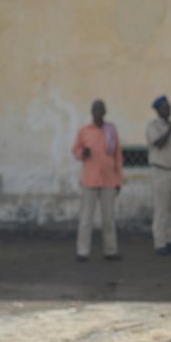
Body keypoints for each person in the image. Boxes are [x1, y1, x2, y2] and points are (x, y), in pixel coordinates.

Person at [71, 99, 123, 261]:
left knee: (108, 218)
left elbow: (118, 156)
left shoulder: (111, 130)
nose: (98, 112)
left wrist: (118, 180)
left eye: (101, 109)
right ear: (91, 112)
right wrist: (83, 153)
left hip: (108, 180)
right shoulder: (84, 131)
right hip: (89, 180)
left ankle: (110, 250)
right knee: (86, 218)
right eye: (95, 109)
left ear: (105, 112)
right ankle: (82, 251)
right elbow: (76, 150)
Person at [145, 95, 171, 255]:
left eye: (169, 106)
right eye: (165, 107)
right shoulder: (153, 126)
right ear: (158, 110)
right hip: (161, 172)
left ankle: (169, 241)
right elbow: (159, 144)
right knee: (161, 210)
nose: (168, 109)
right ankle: (159, 243)